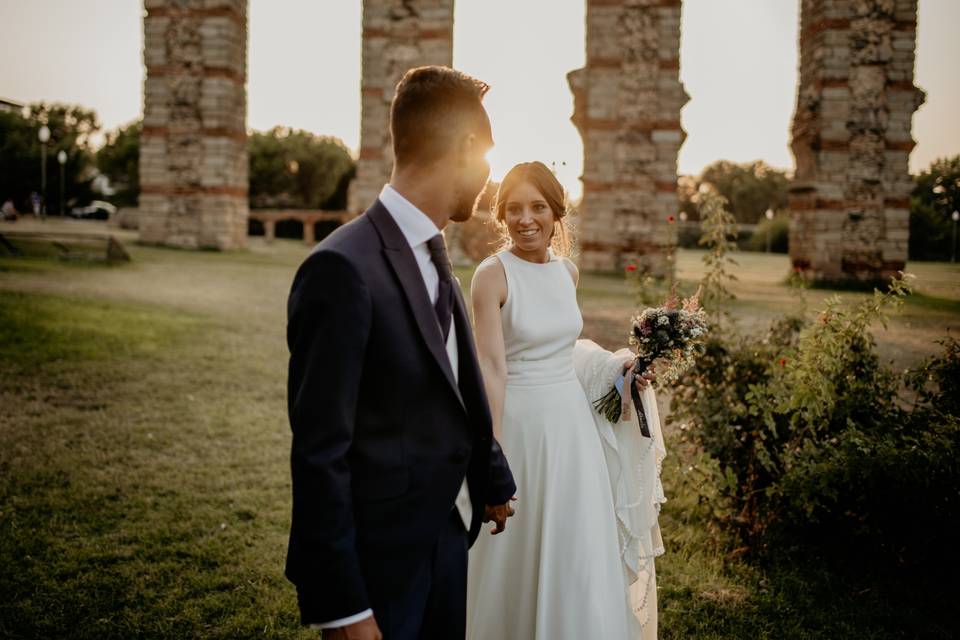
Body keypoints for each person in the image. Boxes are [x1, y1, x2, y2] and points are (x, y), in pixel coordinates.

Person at [285, 66, 516, 640]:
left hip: (446, 539)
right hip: (380, 567)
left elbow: (455, 384)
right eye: (487, 154)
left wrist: (488, 480)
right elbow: (319, 455)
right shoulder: (341, 269)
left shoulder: (435, 256)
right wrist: (343, 609)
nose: (490, 175)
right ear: (466, 147)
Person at [466, 162, 666, 639]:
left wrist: (621, 372)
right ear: (501, 217)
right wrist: (492, 455)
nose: (525, 219)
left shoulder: (567, 272)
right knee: (517, 552)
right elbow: (491, 369)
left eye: (537, 207)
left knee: (575, 547)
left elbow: (567, 353)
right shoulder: (491, 276)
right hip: (519, 429)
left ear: (557, 213)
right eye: (513, 209)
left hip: (572, 434)